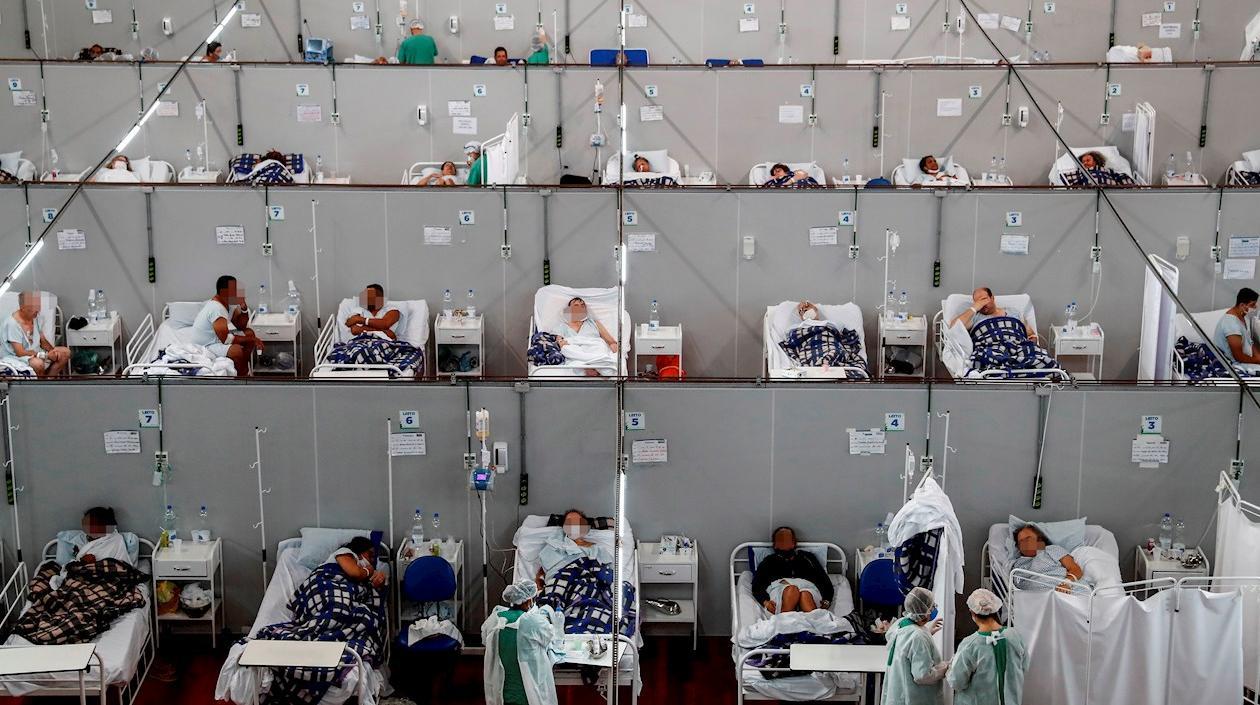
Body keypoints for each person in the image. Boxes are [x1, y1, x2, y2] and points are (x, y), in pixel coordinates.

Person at [482, 579, 565, 705]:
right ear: (528, 600)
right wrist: (558, 626)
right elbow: (554, 642)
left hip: (502, 693)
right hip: (528, 694)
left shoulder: (495, 618)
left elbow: (485, 640)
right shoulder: (533, 621)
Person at [948, 589, 1029, 705]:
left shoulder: (970, 645)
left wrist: (950, 667)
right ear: (995, 609)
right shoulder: (1015, 636)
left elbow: (957, 682)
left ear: (972, 613)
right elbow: (1024, 666)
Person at [883, 587, 948, 705]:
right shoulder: (918, 637)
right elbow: (922, 676)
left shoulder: (901, 624)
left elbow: (906, 644)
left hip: (897, 693)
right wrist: (945, 668)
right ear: (924, 610)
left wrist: (927, 631)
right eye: (932, 606)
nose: (934, 608)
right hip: (914, 698)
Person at [190, 275, 262, 376]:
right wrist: (252, 340)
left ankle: (243, 368)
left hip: (216, 340)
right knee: (236, 350)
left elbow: (240, 326)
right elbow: (227, 339)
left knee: (249, 333)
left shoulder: (228, 305)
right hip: (206, 345)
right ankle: (242, 375)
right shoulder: (216, 308)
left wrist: (244, 307)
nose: (238, 292)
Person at [751, 527, 833, 614]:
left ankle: (815, 621)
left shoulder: (807, 557)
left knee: (805, 595)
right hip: (780, 587)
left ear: (794, 543)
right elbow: (757, 586)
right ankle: (785, 617)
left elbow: (825, 581)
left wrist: (827, 600)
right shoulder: (769, 561)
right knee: (792, 590)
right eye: (780, 540)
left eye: (787, 540)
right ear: (774, 544)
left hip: (807, 588)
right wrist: (765, 602)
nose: (784, 543)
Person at [2, 291, 70, 377]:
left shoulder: (35, 317)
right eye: (33, 308)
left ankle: (49, 380)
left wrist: (53, 351)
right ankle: (39, 386)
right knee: (38, 364)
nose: (37, 310)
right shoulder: (12, 324)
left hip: (35, 351)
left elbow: (42, 340)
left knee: (65, 352)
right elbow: (20, 352)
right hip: (17, 357)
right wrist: (45, 355)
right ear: (22, 308)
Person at [535, 509, 612, 584]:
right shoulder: (555, 544)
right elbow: (544, 569)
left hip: (586, 581)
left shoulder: (596, 549)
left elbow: (606, 572)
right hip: (560, 580)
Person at [1010, 524, 1085, 592]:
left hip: (1069, 591)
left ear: (1039, 539)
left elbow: (1075, 569)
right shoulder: (1018, 565)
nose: (1025, 543)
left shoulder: (1052, 550)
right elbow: (1019, 586)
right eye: (1021, 541)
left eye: (1028, 539)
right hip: (1039, 599)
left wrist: (1066, 583)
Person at [949, 287, 1038, 343]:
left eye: (984, 299)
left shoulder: (1013, 312)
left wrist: (1030, 347)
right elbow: (954, 327)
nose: (982, 304)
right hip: (990, 348)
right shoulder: (975, 317)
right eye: (978, 302)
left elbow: (1031, 335)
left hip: (1018, 345)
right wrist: (974, 308)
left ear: (992, 298)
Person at [1212, 288, 1260, 372]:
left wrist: (1258, 357)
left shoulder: (1241, 317)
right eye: (1252, 304)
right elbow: (1239, 357)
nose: (1255, 307)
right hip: (1236, 364)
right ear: (1242, 305)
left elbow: (1249, 342)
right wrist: (1257, 360)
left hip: (1246, 359)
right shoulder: (1231, 324)